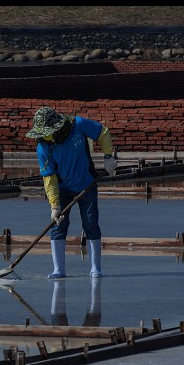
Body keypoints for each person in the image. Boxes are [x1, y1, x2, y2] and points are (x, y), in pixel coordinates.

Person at [26, 106, 116, 279]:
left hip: (87, 183)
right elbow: (49, 177)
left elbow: (103, 133)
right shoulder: (43, 147)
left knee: (90, 223)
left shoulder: (78, 125)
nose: (45, 136)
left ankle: (95, 268)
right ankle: (58, 270)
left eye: (47, 132)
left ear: (57, 127)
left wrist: (108, 157)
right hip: (62, 188)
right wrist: (54, 205)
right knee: (58, 225)